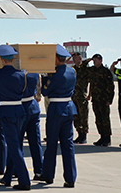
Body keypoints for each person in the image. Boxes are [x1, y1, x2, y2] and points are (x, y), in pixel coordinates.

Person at [0, 44, 30, 190]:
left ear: (1, 59)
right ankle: (7, 178)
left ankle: (25, 181)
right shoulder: (21, 74)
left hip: (6, 111)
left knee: (13, 147)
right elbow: (24, 92)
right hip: (19, 111)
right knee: (16, 145)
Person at [40, 44, 77, 188]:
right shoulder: (72, 72)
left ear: (55, 58)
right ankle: (70, 178)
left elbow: (44, 92)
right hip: (68, 108)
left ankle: (48, 175)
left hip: (56, 109)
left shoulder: (54, 74)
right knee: (68, 145)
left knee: (52, 143)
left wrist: (44, 77)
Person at [88, 53, 114, 146]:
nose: (94, 62)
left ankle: (107, 138)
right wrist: (90, 94)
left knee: (105, 119)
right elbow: (91, 83)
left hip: (103, 99)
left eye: (96, 60)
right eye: (93, 60)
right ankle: (102, 137)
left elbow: (110, 86)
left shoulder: (105, 71)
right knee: (98, 119)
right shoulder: (92, 70)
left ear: (101, 61)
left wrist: (109, 99)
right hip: (95, 99)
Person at [71, 52, 91, 144]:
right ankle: (79, 134)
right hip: (74, 96)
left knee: (83, 117)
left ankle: (84, 136)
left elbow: (91, 83)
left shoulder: (84, 69)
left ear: (80, 59)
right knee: (76, 117)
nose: (75, 60)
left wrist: (89, 94)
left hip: (82, 97)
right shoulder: (72, 69)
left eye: (77, 58)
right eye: (74, 58)